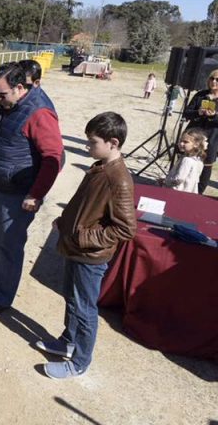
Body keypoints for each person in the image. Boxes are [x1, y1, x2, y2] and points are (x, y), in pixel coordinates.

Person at [36, 112, 136, 379]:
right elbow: (84, 204)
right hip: (76, 249)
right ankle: (68, 341)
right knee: (71, 298)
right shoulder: (99, 167)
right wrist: (65, 220)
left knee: (84, 308)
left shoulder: (119, 179)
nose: (87, 147)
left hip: (90, 257)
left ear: (113, 142)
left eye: (92, 142)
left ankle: (80, 361)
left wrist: (82, 237)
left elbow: (125, 228)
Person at [0, 62, 63, 316]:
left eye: (1, 95)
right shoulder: (8, 101)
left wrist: (36, 194)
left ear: (20, 87)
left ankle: (2, 297)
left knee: (9, 246)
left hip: (18, 195)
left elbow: (53, 158)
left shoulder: (40, 113)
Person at [183, 69, 218, 194]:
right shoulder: (200, 95)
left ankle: (198, 193)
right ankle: (182, 187)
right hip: (194, 135)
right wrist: (198, 112)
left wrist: (214, 116)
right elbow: (186, 112)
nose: (214, 81)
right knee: (187, 159)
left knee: (206, 165)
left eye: (217, 79)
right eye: (212, 78)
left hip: (213, 137)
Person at [161, 128, 208, 194]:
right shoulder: (198, 159)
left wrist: (166, 181)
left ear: (196, 144)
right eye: (180, 141)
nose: (181, 143)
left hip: (178, 191)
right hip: (189, 191)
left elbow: (179, 178)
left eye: (185, 142)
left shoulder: (187, 160)